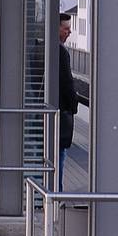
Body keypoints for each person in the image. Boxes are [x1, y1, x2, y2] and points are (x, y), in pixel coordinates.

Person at [51, 12, 80, 161]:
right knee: (59, 157)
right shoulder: (61, 52)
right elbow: (67, 83)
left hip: (49, 114)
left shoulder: (42, 47)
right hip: (60, 115)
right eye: (66, 28)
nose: (69, 32)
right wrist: (74, 105)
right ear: (56, 28)